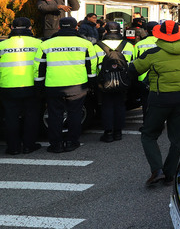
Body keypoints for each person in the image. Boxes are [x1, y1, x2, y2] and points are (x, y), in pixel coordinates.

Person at [129, 20, 180, 186]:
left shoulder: (153, 53)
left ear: (159, 35)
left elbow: (134, 69)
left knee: (149, 134)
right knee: (176, 139)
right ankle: (169, 174)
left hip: (160, 99)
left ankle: (157, 170)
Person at [34, 17, 97, 153]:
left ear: (59, 27)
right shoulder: (85, 44)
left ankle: (56, 145)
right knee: (75, 114)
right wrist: (91, 82)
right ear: (76, 28)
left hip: (53, 85)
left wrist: (39, 84)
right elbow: (91, 65)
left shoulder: (46, 44)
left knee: (55, 115)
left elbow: (39, 66)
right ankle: (71, 142)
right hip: (77, 85)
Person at [0, 17, 43, 155]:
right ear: (30, 28)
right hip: (32, 86)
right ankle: (28, 146)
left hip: (8, 86)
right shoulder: (39, 44)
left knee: (10, 117)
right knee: (31, 116)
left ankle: (13, 148)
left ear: (11, 28)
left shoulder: (2, 45)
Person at [95, 21, 135, 143]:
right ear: (119, 31)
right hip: (122, 80)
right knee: (120, 105)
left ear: (105, 31)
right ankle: (118, 132)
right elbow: (132, 63)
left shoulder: (97, 45)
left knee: (107, 106)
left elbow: (93, 65)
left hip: (104, 81)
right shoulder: (128, 45)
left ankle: (108, 133)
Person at [134, 21, 159, 124]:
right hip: (159, 77)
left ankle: (146, 123)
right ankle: (158, 124)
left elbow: (135, 62)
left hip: (143, 78)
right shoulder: (163, 43)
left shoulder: (139, 44)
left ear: (146, 31)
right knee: (158, 102)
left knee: (146, 102)